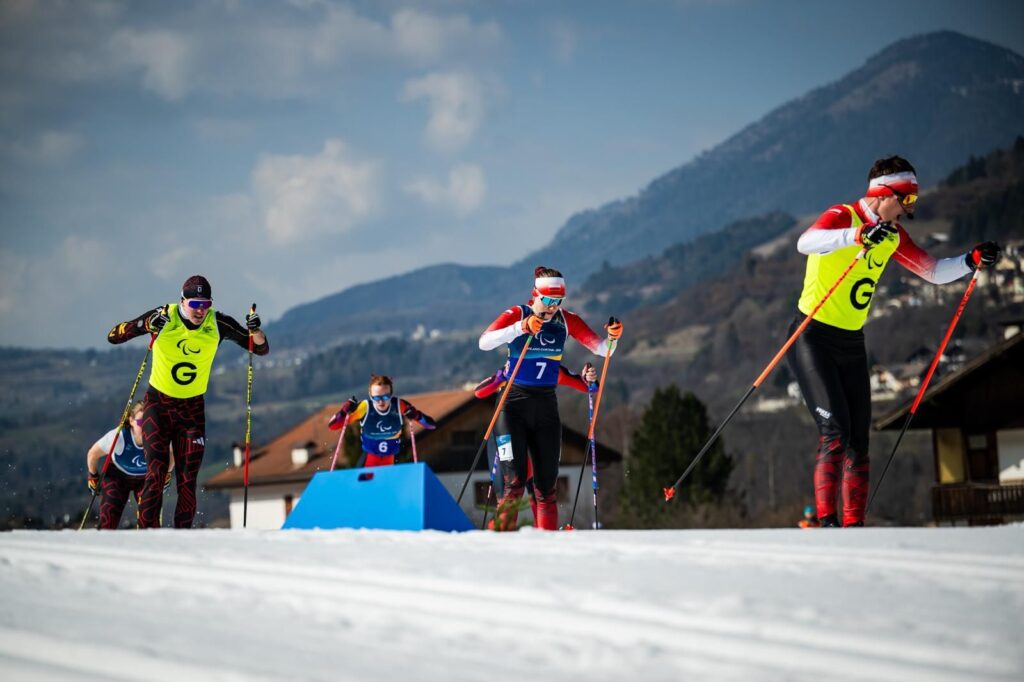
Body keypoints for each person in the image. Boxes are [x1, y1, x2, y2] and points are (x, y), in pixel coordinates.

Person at [787, 156, 1000, 528]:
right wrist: (857, 236)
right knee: (835, 430)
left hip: (851, 343)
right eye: (906, 203)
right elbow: (807, 242)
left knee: (859, 442)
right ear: (885, 195)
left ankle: (855, 527)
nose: (908, 213)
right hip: (812, 337)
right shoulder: (844, 215)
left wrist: (970, 259)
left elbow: (931, 271)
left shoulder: (892, 235)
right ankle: (827, 523)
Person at [106, 275, 268, 528]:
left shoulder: (218, 322)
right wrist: (146, 324)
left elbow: (259, 348)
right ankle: (148, 533)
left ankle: (183, 537)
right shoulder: (165, 315)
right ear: (182, 301)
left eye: (205, 304)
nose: (200, 310)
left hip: (191, 410)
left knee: (187, 480)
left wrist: (255, 330)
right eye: (194, 304)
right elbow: (114, 336)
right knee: (156, 474)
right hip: (158, 406)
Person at [478, 266, 622, 531]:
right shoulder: (518, 313)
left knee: (546, 488)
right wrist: (521, 328)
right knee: (514, 484)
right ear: (535, 295)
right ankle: (499, 540)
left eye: (558, 302)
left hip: (545, 406)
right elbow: (485, 342)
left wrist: (613, 339)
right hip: (513, 404)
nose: (553, 307)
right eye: (548, 301)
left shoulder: (567, 320)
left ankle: (549, 546)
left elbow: (604, 350)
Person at [474, 363, 598, 528]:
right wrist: (502, 375)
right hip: (507, 437)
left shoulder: (552, 368)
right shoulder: (515, 365)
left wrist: (590, 379)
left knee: (541, 492)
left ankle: (543, 541)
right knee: (510, 491)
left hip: (537, 435)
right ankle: (501, 540)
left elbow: (589, 387)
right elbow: (479, 392)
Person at [86, 400, 172, 529]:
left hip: (145, 478)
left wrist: (167, 473)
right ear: (131, 421)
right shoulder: (118, 437)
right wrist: (93, 476)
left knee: (149, 520)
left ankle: (149, 545)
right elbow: (93, 454)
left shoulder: (159, 436)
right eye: (141, 422)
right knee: (109, 518)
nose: (146, 427)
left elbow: (171, 453)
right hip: (117, 476)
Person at [327, 375, 436, 467]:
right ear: (370, 395)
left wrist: (417, 415)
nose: (381, 402)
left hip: (391, 457)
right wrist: (343, 412)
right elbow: (333, 426)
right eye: (376, 398)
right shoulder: (365, 407)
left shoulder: (399, 405)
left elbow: (431, 425)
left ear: (391, 395)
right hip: (369, 457)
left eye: (385, 397)